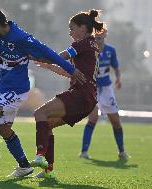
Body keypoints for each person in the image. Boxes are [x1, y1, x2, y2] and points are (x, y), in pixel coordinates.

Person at [0, 5, 85, 177]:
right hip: (4, 88)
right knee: (3, 129)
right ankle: (24, 166)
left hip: (17, 90)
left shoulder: (21, 38)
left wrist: (71, 69)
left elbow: (49, 52)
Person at [29, 9, 104, 179]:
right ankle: (49, 171)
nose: (69, 32)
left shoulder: (80, 45)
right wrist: (50, 66)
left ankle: (40, 156)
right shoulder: (93, 45)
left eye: (72, 28)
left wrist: (36, 55)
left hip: (80, 95)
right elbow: (73, 72)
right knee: (47, 124)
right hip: (88, 100)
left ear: (83, 28)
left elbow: (59, 57)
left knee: (40, 113)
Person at [79, 29, 130, 160]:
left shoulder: (110, 50)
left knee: (115, 121)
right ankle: (84, 152)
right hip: (92, 87)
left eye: (100, 38)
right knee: (93, 117)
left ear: (105, 36)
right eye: (96, 38)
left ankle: (122, 151)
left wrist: (118, 79)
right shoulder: (89, 50)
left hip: (107, 88)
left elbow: (116, 67)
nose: (98, 40)